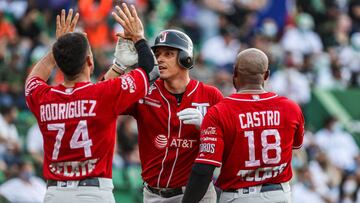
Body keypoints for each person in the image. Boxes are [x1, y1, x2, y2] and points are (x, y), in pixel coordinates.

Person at [24, 5, 158, 203]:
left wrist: (59, 48)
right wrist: (138, 37)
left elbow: (33, 79)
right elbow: (150, 70)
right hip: (93, 193)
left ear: (59, 63)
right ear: (89, 61)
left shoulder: (44, 96)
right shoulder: (103, 95)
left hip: (55, 194)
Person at [105, 4, 223, 202]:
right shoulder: (146, 89)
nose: (160, 59)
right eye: (158, 54)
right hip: (154, 195)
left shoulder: (210, 95)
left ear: (186, 58)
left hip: (197, 194)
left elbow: (231, 140)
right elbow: (104, 101)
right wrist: (119, 66)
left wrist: (208, 127)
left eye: (168, 54)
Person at [182, 48, 305, 203]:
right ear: (266, 75)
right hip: (279, 194)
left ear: (235, 74)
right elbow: (296, 146)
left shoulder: (219, 111)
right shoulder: (291, 108)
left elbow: (204, 170)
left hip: (239, 196)